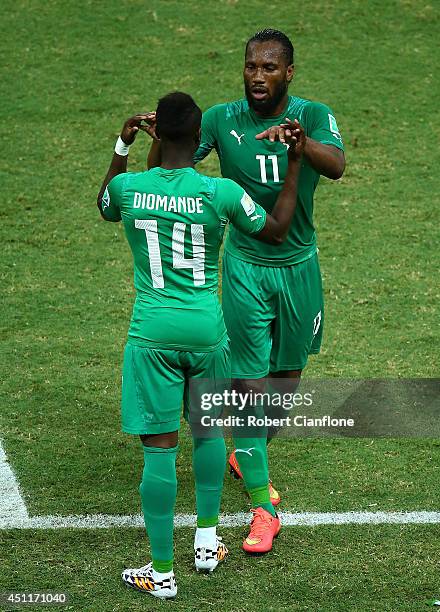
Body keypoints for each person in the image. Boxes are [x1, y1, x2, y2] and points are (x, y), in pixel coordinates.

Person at [97, 92, 304, 598]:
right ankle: (207, 545)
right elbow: (276, 230)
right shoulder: (221, 193)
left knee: (159, 450)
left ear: (156, 135)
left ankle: (162, 573)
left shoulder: (129, 186)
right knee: (209, 434)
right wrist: (294, 163)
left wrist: (121, 145)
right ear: (198, 140)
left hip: (152, 334)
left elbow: (105, 205)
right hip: (207, 331)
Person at [147, 28, 346, 554]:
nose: (257, 76)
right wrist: (154, 138)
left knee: (285, 383)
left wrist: (302, 143)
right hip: (245, 268)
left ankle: (245, 451)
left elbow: (339, 166)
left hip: (300, 267)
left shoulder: (314, 115)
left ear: (289, 73)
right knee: (250, 385)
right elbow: (172, 166)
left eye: (269, 68)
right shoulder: (220, 119)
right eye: (251, 66)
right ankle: (265, 510)